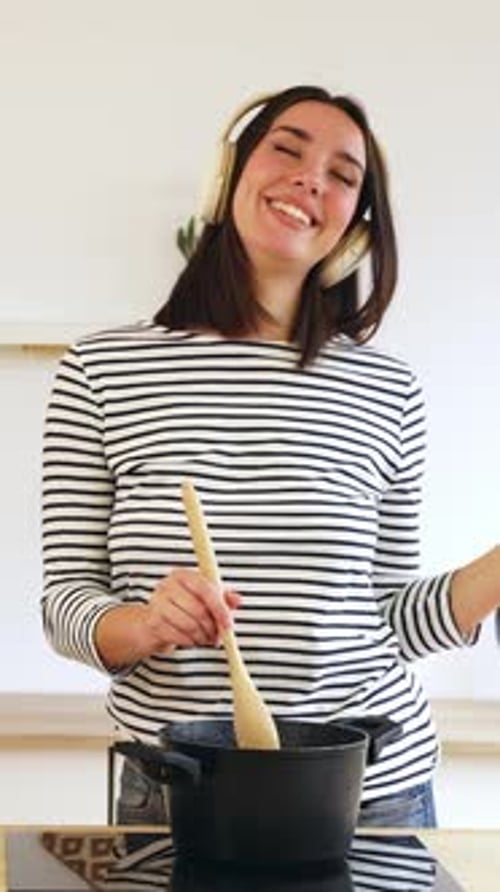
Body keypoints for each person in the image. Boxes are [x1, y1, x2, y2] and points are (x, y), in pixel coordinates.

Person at [41, 85, 500, 829]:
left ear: (355, 225)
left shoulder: (390, 390)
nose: (310, 178)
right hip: (180, 789)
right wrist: (146, 624)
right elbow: (66, 605)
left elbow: (386, 618)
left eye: (343, 175)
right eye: (286, 149)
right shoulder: (102, 370)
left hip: (372, 791)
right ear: (227, 178)